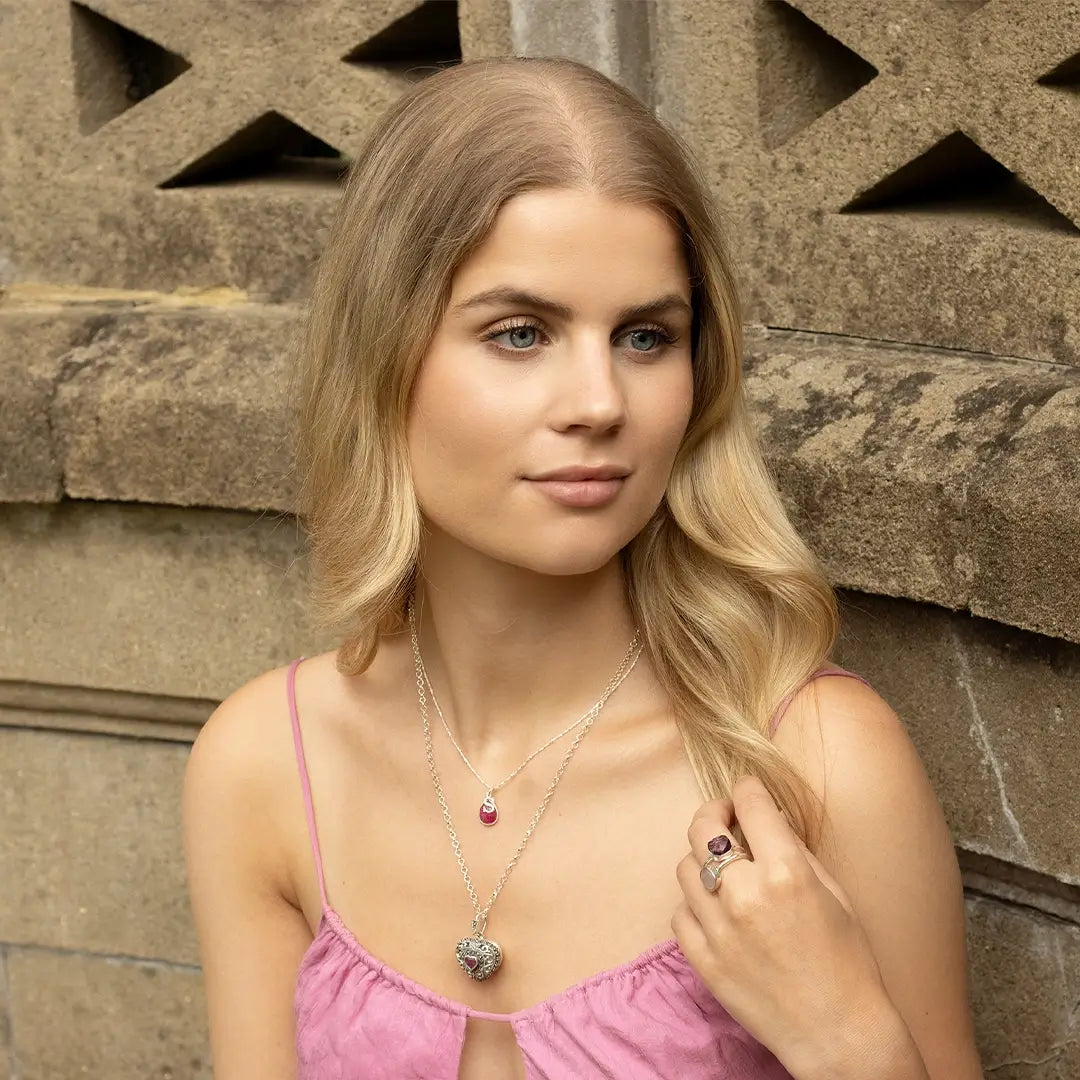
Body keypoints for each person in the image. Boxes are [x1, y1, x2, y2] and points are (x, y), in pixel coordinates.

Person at [181, 56, 983, 1080]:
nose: (600, 402)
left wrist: (848, 1040)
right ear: (382, 354)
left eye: (648, 336)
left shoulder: (815, 764)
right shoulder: (262, 766)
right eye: (521, 333)